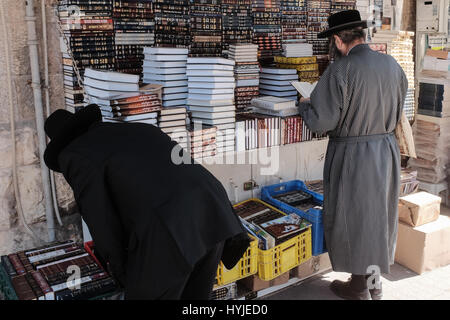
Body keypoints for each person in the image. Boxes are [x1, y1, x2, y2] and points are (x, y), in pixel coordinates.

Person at [43, 105, 250, 300]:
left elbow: (101, 221)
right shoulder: (139, 129)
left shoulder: (76, 155)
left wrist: (122, 273)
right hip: (212, 209)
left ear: (62, 146)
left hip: (170, 227)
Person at [298, 10, 408, 300]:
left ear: (337, 40)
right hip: (385, 151)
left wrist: (304, 105)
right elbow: (398, 107)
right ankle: (372, 283)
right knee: (377, 219)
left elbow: (321, 122)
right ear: (362, 35)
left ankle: (360, 288)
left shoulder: (341, 70)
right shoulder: (392, 64)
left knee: (355, 218)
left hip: (354, 154)